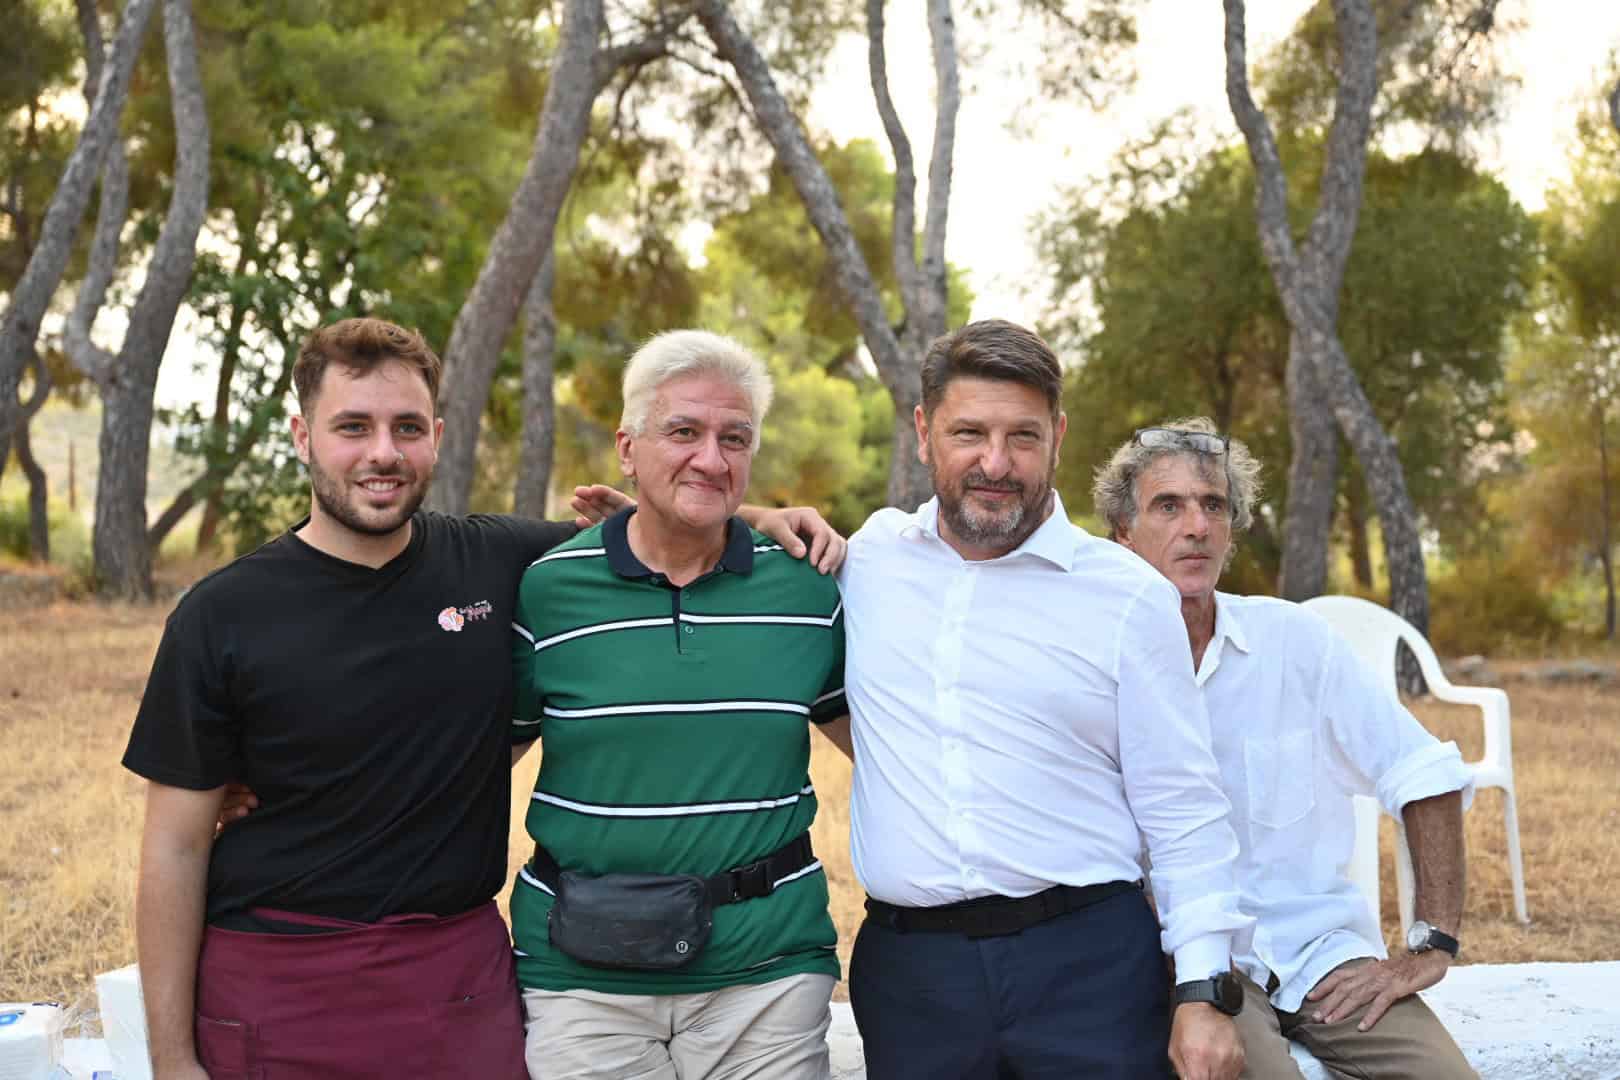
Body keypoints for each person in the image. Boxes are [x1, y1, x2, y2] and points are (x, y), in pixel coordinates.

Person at [123, 317, 840, 1080]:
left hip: (453, 974)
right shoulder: (221, 615)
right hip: (279, 970)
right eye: (352, 427)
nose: (383, 452)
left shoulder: (497, 561)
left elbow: (670, 519)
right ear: (303, 436)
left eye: (407, 428)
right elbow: (173, 847)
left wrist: (761, 517)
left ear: (435, 437)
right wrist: (171, 1060)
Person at [836, 320, 1252, 1080]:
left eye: (1022, 436)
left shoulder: (1129, 596)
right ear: (924, 432)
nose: (996, 463)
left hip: (1090, 967)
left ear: (1057, 436)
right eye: (969, 433)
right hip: (911, 978)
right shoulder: (867, 561)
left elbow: (1184, 808)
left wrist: (1202, 992)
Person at [507, 330, 849, 1080]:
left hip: (767, 971)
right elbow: (481, 755)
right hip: (581, 974)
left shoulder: (807, 589)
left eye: (736, 438)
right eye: (684, 432)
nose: (712, 459)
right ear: (627, 449)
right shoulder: (549, 589)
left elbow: (892, 744)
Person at [1093, 417, 1477, 1080]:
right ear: (1122, 532)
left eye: (1214, 505)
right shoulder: (1095, 665)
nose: (1197, 526)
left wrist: (1431, 945)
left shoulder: (1295, 642)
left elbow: (1423, 773)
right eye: (1169, 506)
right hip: (1196, 966)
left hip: (1322, 954)